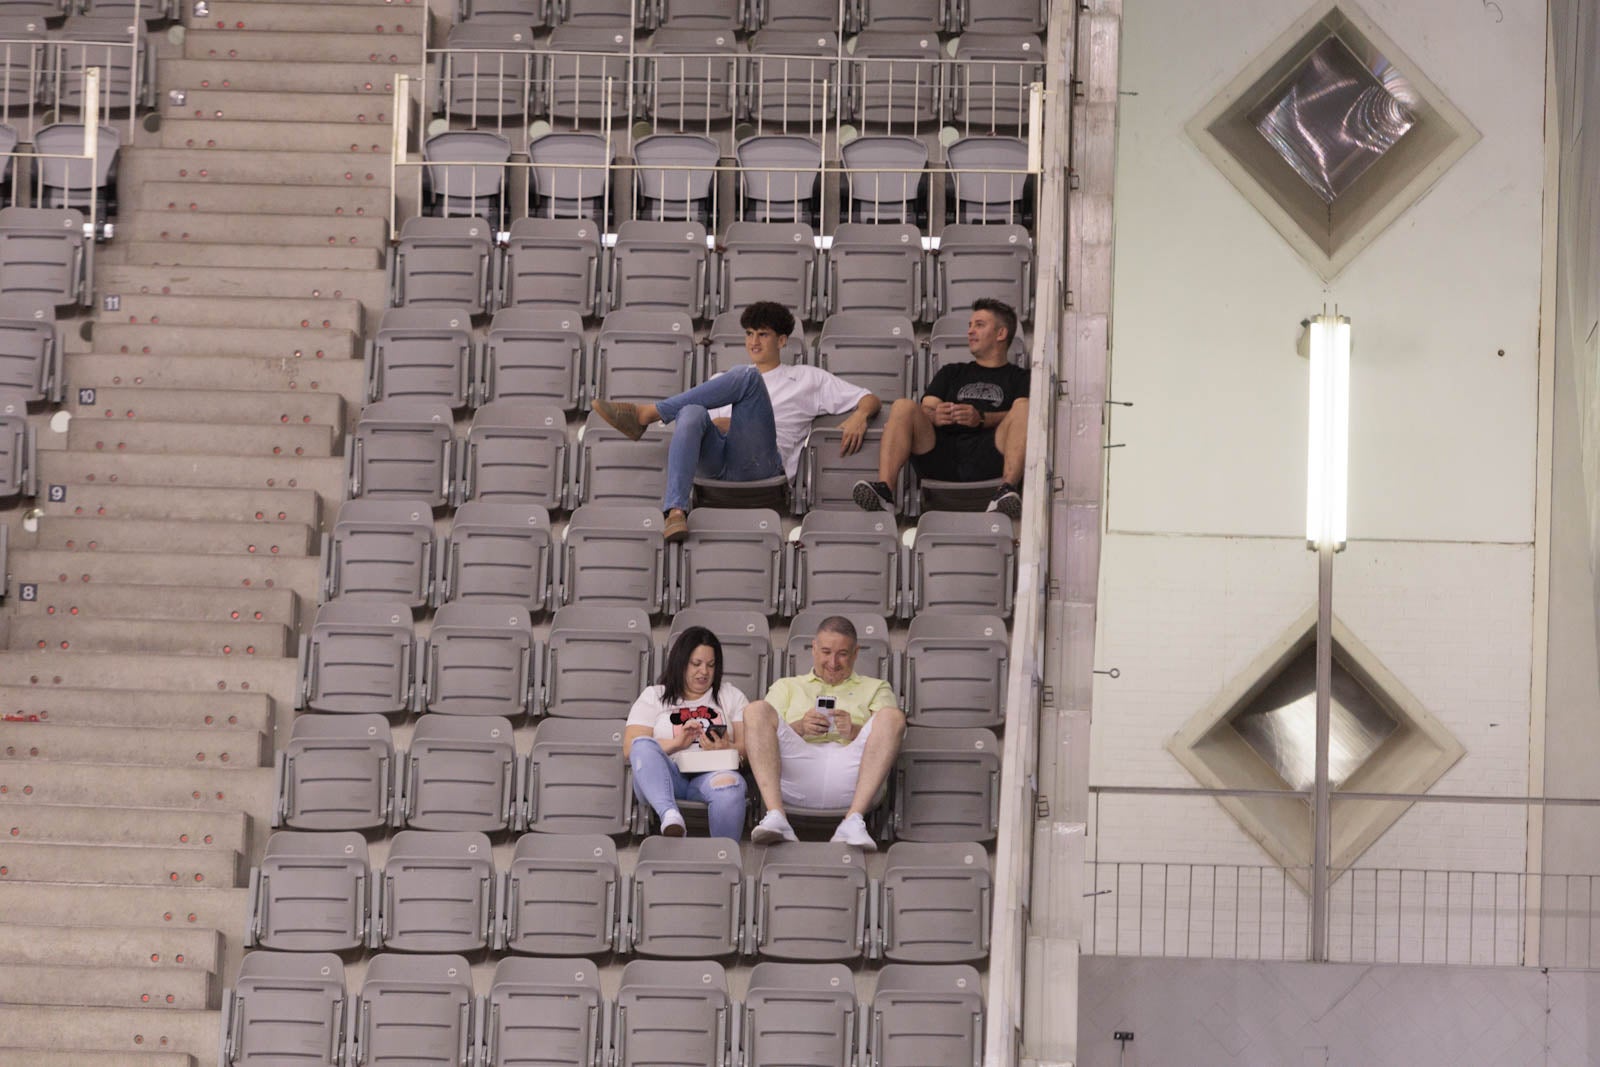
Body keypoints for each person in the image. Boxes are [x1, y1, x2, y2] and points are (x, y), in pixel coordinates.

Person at [591, 301, 882, 542]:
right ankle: (675, 512)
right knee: (691, 410)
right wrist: (728, 425)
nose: (754, 342)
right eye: (749, 334)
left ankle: (648, 414)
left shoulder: (807, 378)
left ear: (781, 340)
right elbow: (703, 427)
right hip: (717, 465)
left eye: (763, 335)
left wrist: (860, 415)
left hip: (765, 466)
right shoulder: (722, 381)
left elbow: (868, 398)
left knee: (747, 377)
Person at [852, 297, 1030, 519]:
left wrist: (982, 418)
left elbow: (1021, 418)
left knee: (1025, 407)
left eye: (979, 325)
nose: (970, 331)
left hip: (989, 457)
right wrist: (936, 416)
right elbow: (926, 408)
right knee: (903, 406)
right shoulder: (951, 371)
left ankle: (1005, 490)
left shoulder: (1020, 378)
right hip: (943, 456)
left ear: (1001, 334)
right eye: (970, 326)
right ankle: (885, 492)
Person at [742, 616, 906, 850]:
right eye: (826, 652)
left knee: (892, 716)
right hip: (796, 769)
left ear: (855, 653)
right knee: (755, 710)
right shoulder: (787, 686)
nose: (833, 662)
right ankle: (775, 814)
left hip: (853, 771)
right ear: (814, 649)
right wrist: (798, 728)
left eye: (842, 654)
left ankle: (853, 819)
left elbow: (885, 736)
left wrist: (855, 731)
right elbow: (763, 734)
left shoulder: (876, 687)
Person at [623, 626, 749, 840]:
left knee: (731, 786)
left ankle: (723, 860)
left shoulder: (731, 695)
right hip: (667, 775)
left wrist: (726, 747)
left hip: (712, 775)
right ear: (680, 663)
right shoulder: (654, 696)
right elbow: (630, 748)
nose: (704, 672)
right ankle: (670, 814)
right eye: (696, 664)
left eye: (711, 665)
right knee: (642, 744)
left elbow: (750, 748)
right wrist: (676, 743)